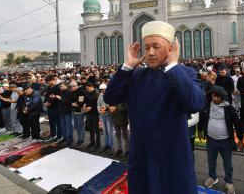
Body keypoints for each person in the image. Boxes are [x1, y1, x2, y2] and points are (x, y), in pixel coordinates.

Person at [104, 21, 205, 193]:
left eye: (156, 47)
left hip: (173, 157)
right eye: (147, 47)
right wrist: (127, 66)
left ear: (170, 48)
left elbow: (195, 103)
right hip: (142, 156)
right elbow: (110, 97)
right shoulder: (136, 76)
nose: (150, 52)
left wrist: (173, 66)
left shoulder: (184, 73)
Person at [198, 85, 243, 194]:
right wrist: (200, 129)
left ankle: (229, 182)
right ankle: (212, 177)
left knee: (227, 163)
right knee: (211, 161)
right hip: (211, 140)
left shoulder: (229, 108)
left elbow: (237, 123)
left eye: (218, 97)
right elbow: (202, 117)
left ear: (223, 97)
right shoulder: (207, 105)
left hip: (225, 141)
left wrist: (240, 139)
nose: (215, 99)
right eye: (214, 96)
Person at [97, 83, 114, 156]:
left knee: (110, 132)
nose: (103, 91)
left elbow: (111, 105)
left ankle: (111, 147)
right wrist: (99, 111)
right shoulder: (100, 95)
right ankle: (106, 145)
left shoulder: (110, 94)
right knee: (105, 131)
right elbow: (98, 104)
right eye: (101, 90)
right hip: (102, 115)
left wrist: (105, 110)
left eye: (104, 89)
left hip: (108, 116)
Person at [83, 81, 100, 152]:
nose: (87, 89)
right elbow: (86, 101)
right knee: (90, 128)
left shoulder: (96, 93)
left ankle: (98, 144)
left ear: (92, 87)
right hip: (89, 113)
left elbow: (98, 104)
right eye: (86, 88)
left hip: (95, 113)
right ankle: (92, 142)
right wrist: (84, 105)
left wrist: (91, 108)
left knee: (96, 129)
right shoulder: (88, 93)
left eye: (88, 88)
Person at [44, 75, 62, 140]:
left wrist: (50, 103)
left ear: (53, 80)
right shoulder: (48, 88)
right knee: (51, 122)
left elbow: (58, 98)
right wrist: (45, 102)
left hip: (56, 107)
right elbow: (46, 96)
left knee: (58, 122)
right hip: (49, 107)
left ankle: (59, 136)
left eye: (49, 82)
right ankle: (52, 134)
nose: (48, 83)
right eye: (47, 83)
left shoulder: (58, 88)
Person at [56, 82, 73, 147]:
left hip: (67, 111)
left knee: (69, 126)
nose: (61, 88)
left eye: (62, 86)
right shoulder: (61, 92)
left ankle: (70, 140)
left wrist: (60, 98)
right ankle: (64, 138)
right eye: (60, 86)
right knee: (63, 126)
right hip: (61, 111)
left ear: (66, 85)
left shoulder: (69, 92)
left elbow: (69, 101)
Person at [71, 81, 86, 147]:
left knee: (81, 126)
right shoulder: (73, 92)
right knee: (76, 126)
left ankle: (81, 140)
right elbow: (70, 99)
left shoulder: (81, 91)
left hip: (80, 110)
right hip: (74, 110)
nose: (72, 88)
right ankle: (79, 139)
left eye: (74, 86)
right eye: (71, 86)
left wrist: (75, 104)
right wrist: (72, 103)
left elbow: (81, 101)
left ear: (77, 85)